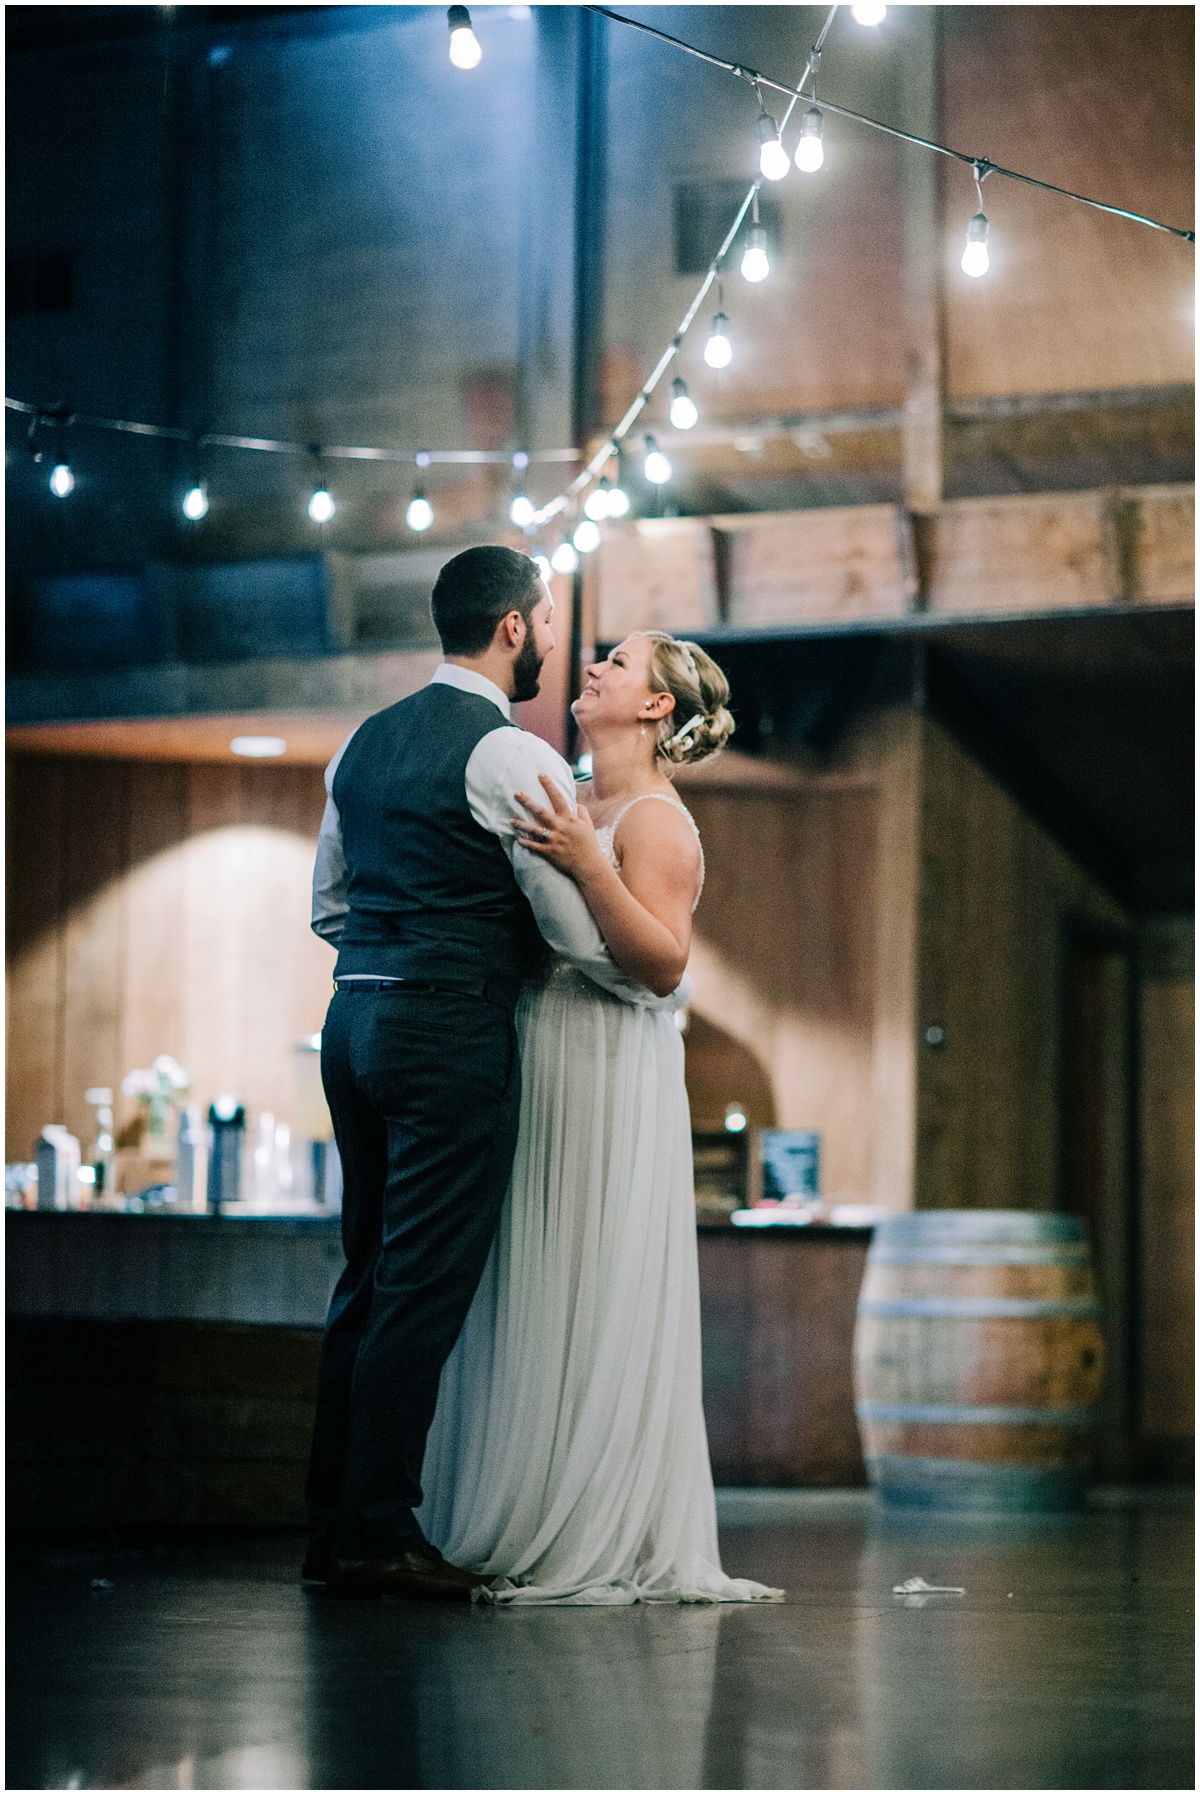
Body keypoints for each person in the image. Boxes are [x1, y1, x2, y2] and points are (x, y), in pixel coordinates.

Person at [305, 546, 660, 1601]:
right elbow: (568, 930)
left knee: (363, 1274)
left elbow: (329, 905)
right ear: (512, 626)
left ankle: (330, 1525)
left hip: (352, 1018)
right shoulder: (510, 758)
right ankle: (375, 1530)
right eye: (547, 623)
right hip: (445, 1029)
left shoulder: (360, 745)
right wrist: (637, 981)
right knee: (422, 1283)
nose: (553, 644)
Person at [418, 631, 783, 1604]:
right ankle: (515, 1493)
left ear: (658, 707)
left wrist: (590, 861)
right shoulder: (578, 797)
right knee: (533, 1274)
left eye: (617, 663)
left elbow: (662, 963)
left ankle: (582, 1517)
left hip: (609, 1064)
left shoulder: (656, 821)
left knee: (589, 1263)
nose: (592, 668)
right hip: (544, 1048)